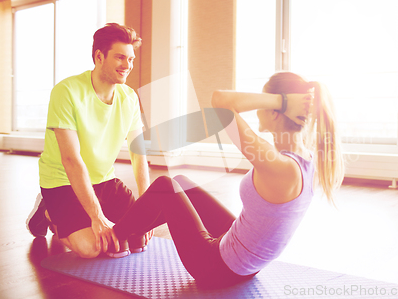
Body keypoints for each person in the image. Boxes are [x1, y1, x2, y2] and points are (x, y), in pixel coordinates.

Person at [109, 72, 345, 288]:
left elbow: (220, 102)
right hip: (247, 263)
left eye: (264, 102)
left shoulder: (276, 165)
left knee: (164, 186)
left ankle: (113, 238)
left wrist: (279, 100)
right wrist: (280, 101)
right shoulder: (308, 159)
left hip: (217, 269)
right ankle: (135, 232)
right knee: (182, 183)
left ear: (274, 110)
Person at [26, 23, 153, 258]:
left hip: (105, 180)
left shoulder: (129, 97)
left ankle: (92, 212)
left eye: (131, 59)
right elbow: (71, 159)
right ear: (99, 57)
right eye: (120, 58)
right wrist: (97, 217)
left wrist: (145, 206)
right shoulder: (66, 92)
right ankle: (47, 212)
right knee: (92, 248)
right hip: (63, 181)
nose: (128, 65)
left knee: (136, 237)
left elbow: (138, 153)